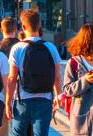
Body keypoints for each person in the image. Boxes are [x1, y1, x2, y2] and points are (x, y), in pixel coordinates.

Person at [4, 8, 62, 136]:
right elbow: (57, 77)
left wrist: (8, 102)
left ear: (23, 26)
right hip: (45, 99)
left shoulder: (17, 48)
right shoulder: (50, 47)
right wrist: (58, 97)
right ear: (39, 25)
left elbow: (12, 78)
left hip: (22, 101)